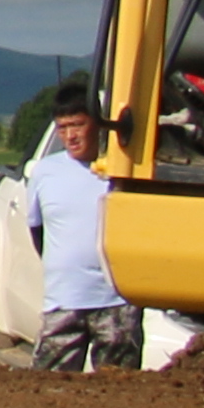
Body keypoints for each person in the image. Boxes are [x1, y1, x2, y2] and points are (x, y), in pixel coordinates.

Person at [23, 81, 136, 372]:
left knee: (118, 393)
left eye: (77, 125)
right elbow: (36, 232)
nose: (70, 136)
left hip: (116, 303)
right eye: (62, 128)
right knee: (48, 391)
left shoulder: (123, 170)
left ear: (98, 125)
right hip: (64, 301)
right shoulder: (45, 172)